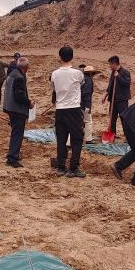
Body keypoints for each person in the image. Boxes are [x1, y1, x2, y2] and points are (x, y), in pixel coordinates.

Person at [51, 46, 86, 177]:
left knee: (61, 139)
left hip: (60, 109)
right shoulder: (78, 73)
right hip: (74, 109)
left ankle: (61, 167)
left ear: (60, 57)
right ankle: (73, 168)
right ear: (72, 57)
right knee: (77, 139)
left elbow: (54, 88)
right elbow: (82, 84)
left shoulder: (54, 74)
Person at [3, 57, 32, 168]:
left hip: (10, 108)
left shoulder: (12, 74)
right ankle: (12, 158)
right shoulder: (19, 77)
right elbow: (19, 96)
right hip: (17, 110)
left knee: (15, 132)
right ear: (26, 67)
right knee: (17, 134)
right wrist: (29, 103)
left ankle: (13, 154)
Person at [101, 56, 131, 139]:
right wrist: (106, 95)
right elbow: (110, 84)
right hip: (113, 99)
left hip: (122, 100)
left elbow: (127, 83)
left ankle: (128, 136)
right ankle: (112, 135)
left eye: (110, 64)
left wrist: (118, 76)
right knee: (112, 118)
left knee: (124, 118)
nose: (109, 66)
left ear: (114, 64)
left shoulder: (125, 72)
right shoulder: (113, 72)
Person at [80, 64, 98, 143]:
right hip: (84, 104)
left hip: (79, 104)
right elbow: (86, 94)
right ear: (90, 73)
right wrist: (87, 106)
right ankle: (88, 139)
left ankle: (70, 141)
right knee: (88, 121)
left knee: (78, 121)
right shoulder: (88, 80)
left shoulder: (82, 79)